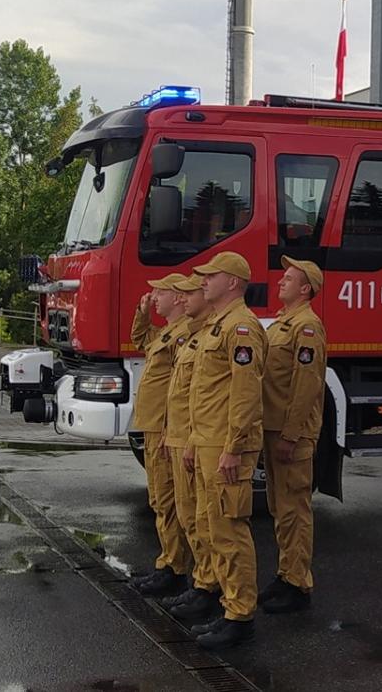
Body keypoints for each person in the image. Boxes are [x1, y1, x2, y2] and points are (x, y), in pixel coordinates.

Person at [180, 251, 267, 650]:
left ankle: (240, 617)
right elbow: (205, 393)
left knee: (230, 531)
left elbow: (245, 395)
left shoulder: (241, 328)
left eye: (210, 276)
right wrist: (193, 442)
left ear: (232, 282)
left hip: (226, 445)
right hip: (206, 441)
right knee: (210, 525)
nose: (203, 282)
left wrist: (233, 447)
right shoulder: (216, 326)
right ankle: (222, 602)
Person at [258, 256, 327, 614]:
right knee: (279, 507)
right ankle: (286, 574)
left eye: (288, 278)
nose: (280, 281)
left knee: (294, 509)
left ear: (306, 289)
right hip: (272, 429)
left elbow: (306, 386)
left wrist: (292, 434)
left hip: (289, 434)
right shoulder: (283, 324)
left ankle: (298, 584)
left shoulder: (307, 327)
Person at [126, 275, 196, 598]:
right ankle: (167, 561)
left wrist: (170, 429)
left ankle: (175, 568)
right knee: (159, 499)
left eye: (159, 291)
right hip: (154, 427)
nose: (153, 295)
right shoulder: (166, 333)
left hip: (165, 427)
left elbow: (178, 390)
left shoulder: (183, 336)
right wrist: (142, 312)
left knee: (168, 501)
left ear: (179, 297)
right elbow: (140, 337)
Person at [158, 276, 220, 613]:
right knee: (189, 514)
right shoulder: (199, 335)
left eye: (189, 292)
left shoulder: (228, 332)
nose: (184, 299)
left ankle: (214, 591)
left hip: (205, 439)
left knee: (212, 522)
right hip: (187, 436)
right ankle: (202, 582)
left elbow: (235, 396)